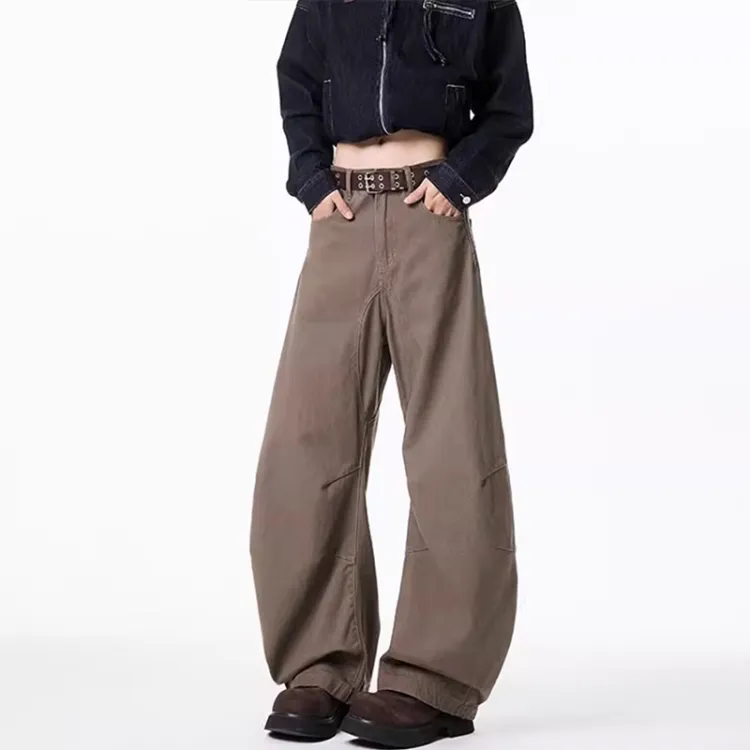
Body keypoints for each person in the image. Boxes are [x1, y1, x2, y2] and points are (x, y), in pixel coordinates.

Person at [250, 0, 532, 746]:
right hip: (338, 216)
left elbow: (509, 108)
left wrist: (460, 179)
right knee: (304, 444)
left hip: (427, 213)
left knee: (451, 440)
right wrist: (311, 178)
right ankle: (319, 667)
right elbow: (296, 79)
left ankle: (434, 678)